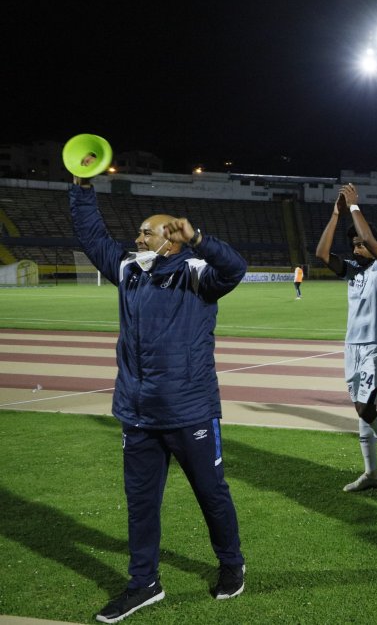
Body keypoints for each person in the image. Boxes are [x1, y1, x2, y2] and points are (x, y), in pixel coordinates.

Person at [70, 174, 247, 622]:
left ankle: (232, 566)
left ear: (171, 237)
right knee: (141, 504)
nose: (138, 237)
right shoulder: (130, 269)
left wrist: (201, 240)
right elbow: (92, 236)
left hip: (190, 411)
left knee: (212, 495)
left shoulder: (195, 272)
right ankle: (143, 584)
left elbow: (235, 270)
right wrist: (82, 188)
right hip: (138, 412)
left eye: (147, 231)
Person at [315, 184, 377, 494]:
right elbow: (321, 253)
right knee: (361, 409)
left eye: (361, 245)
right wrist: (335, 214)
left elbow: (369, 238)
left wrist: (355, 207)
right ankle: (370, 473)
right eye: (353, 246)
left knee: (366, 408)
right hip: (351, 346)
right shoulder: (353, 270)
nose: (357, 250)